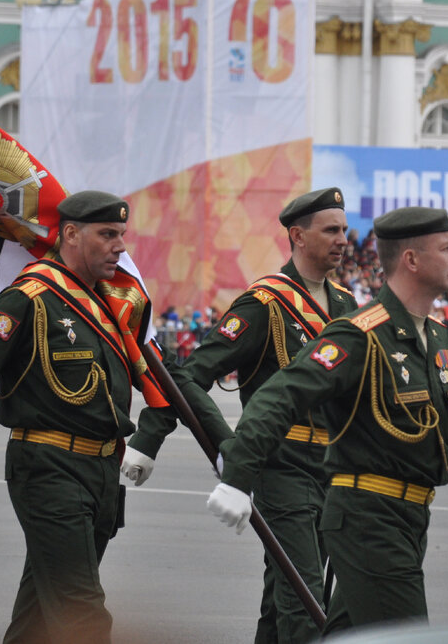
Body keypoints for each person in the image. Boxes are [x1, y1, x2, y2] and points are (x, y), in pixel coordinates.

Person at [207, 206, 448, 634]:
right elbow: (281, 394)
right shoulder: (359, 333)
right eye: (447, 248)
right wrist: (237, 475)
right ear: (411, 260)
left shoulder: (440, 339)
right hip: (369, 519)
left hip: (411, 518)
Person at [124, 187, 357, 644]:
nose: (343, 239)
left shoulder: (347, 305)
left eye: (345, 230)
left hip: (334, 469)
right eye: (331, 230)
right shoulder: (264, 303)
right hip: (282, 467)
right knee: (305, 599)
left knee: (283, 598)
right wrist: (165, 438)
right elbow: (190, 375)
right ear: (298, 236)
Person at [0, 191, 158, 643]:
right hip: (50, 471)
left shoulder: (107, 306)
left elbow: (160, 378)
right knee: (82, 612)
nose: (121, 247)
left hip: (101, 474)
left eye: (121, 235)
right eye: (108, 235)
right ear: (70, 234)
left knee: (37, 618)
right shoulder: (29, 298)